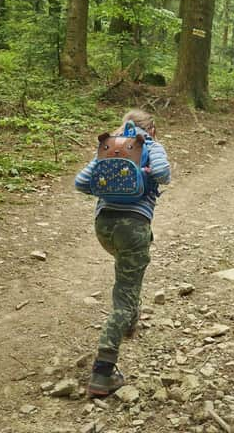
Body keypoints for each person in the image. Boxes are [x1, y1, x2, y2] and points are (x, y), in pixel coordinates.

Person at [74, 109, 171, 398]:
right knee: (125, 295)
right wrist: (146, 174)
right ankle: (103, 370)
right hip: (134, 227)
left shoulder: (110, 147)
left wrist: (110, 186)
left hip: (104, 227)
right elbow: (164, 174)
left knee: (127, 277)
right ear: (151, 129)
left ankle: (129, 323)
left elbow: (80, 182)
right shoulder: (150, 145)